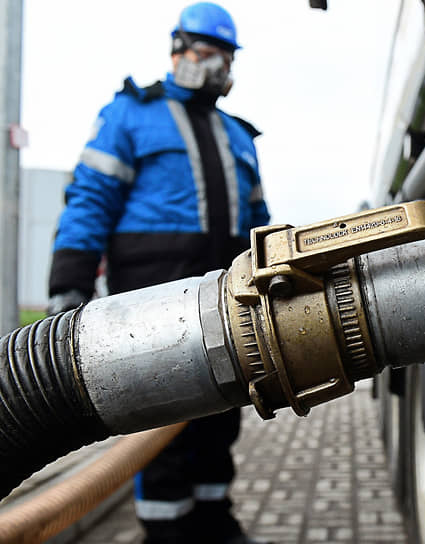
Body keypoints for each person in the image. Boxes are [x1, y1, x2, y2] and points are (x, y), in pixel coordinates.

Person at [47, 3, 270, 543]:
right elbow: (90, 199)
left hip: (225, 298)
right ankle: (167, 532)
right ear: (178, 50)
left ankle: (214, 524)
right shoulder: (130, 114)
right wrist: (70, 282)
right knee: (160, 422)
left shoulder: (238, 135)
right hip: (150, 300)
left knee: (221, 416)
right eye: (207, 51)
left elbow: (259, 222)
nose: (217, 65)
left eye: (226, 57)